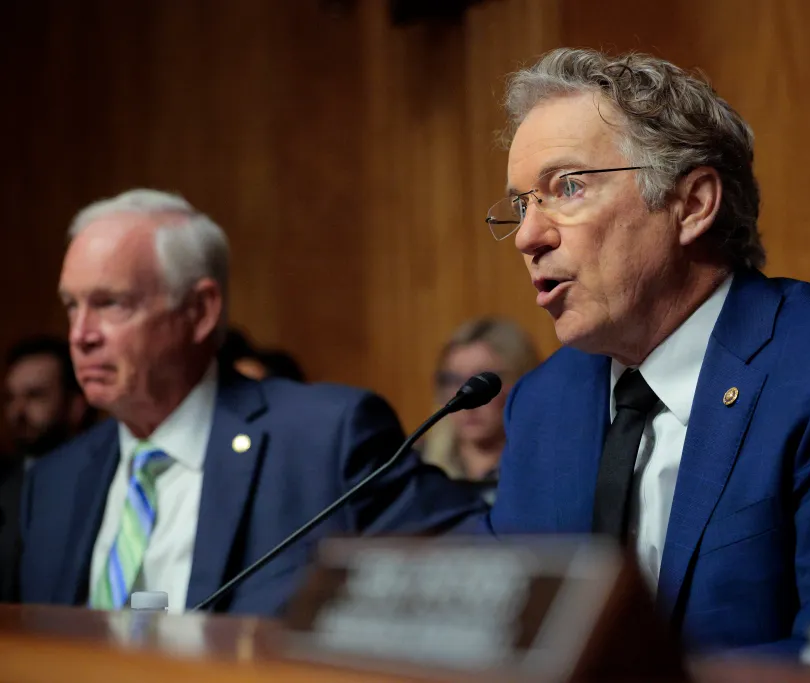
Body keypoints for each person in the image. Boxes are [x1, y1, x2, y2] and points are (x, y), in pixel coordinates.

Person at [479, 48, 810, 670]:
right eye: (523, 204)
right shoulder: (544, 401)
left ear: (693, 205)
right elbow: (503, 632)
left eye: (567, 187)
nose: (528, 236)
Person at [19, 189, 486, 616]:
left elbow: (484, 573)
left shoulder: (326, 439)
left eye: (110, 304)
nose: (80, 336)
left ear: (200, 311)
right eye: (72, 306)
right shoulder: (53, 482)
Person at [1, 336, 92, 602]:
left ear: (76, 404)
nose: (18, 411)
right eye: (10, 398)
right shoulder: (5, 483)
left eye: (35, 396)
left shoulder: (109, 484)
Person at [423, 318, 539, 489]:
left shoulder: (546, 471)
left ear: (521, 384)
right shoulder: (419, 471)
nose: (468, 398)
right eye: (454, 380)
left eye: (482, 384)